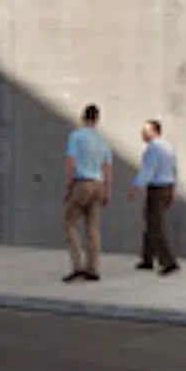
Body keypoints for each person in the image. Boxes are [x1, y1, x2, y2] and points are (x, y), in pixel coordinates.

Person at [62, 103, 114, 281]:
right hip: (99, 183)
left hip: (82, 183)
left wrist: (68, 187)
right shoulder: (103, 140)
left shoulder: (76, 136)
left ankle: (78, 265)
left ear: (83, 118)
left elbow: (71, 162)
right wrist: (107, 190)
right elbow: (107, 167)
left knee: (69, 222)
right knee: (92, 228)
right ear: (97, 119)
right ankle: (93, 268)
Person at [133, 118, 181, 275]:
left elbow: (148, 170)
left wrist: (136, 187)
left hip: (157, 189)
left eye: (146, 131)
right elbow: (174, 169)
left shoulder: (153, 149)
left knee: (155, 225)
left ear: (154, 131)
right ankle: (147, 258)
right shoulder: (169, 147)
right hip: (167, 187)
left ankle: (168, 261)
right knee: (151, 222)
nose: (143, 134)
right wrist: (173, 190)